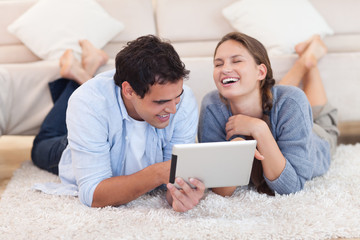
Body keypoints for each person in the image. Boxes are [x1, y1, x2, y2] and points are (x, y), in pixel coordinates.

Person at [31, 35, 205, 212]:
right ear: (129, 91)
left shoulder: (184, 100)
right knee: (40, 146)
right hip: (71, 144)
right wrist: (158, 173)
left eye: (177, 98)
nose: (173, 110)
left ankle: (85, 69)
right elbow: (92, 194)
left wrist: (179, 196)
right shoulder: (88, 101)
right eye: (160, 102)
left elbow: (173, 179)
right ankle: (80, 74)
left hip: (99, 115)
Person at [198, 32, 339, 196]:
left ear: (260, 71)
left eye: (236, 61)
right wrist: (235, 151)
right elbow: (219, 189)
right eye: (218, 64)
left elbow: (290, 187)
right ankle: (305, 61)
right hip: (278, 109)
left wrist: (259, 129)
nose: (225, 69)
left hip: (317, 137)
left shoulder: (292, 102)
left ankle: (308, 62)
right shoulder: (212, 106)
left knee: (319, 116)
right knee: (274, 98)